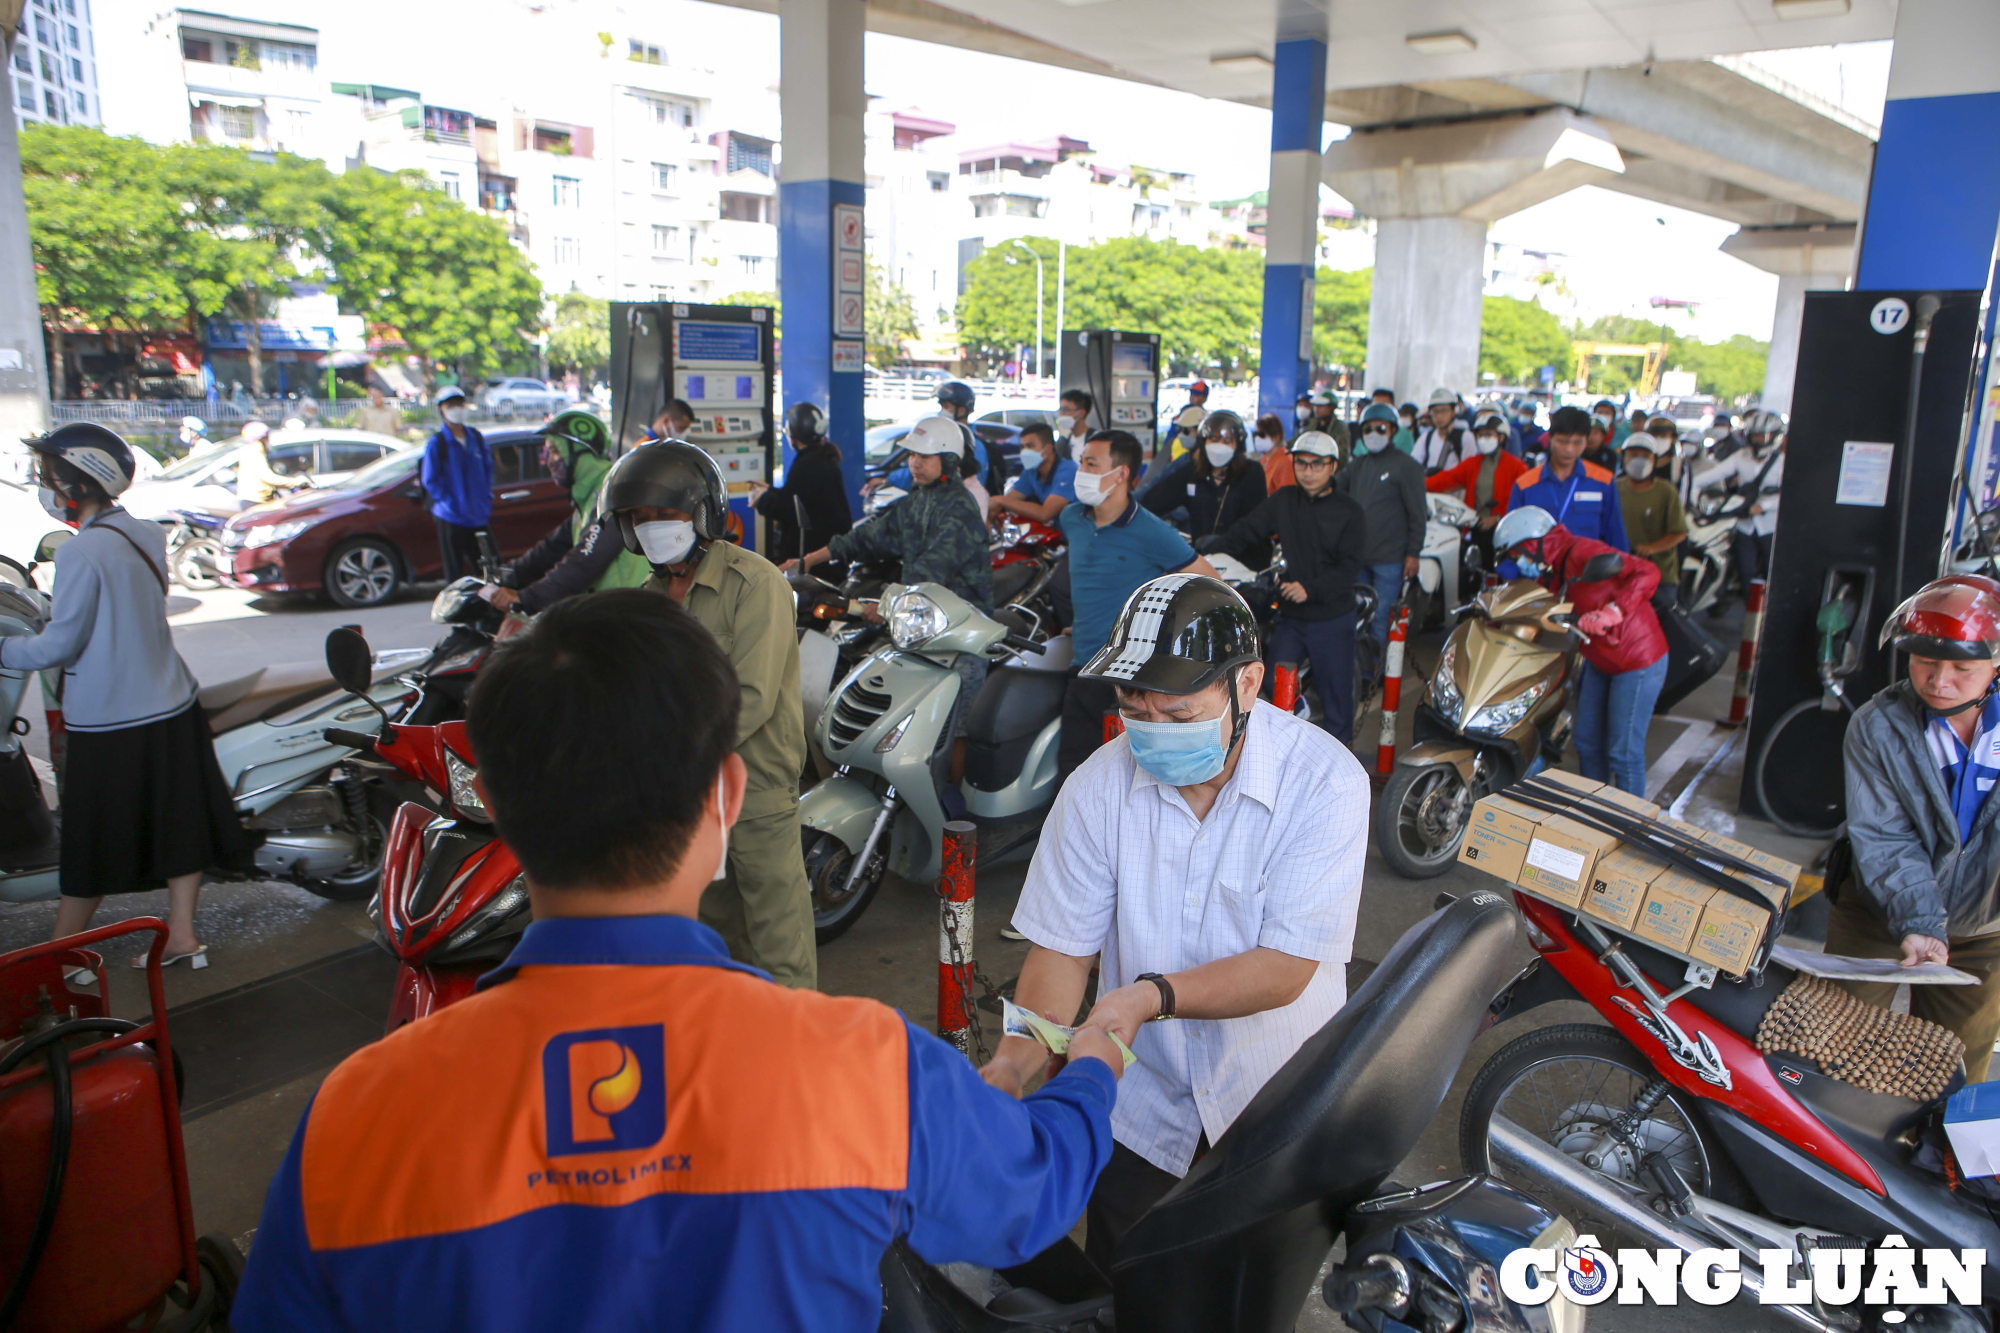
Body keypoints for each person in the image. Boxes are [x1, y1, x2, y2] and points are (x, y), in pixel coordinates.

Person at [230, 590, 1123, 1333]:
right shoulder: (865, 1068)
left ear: (493, 799)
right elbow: (1030, 1196)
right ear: (727, 795)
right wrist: (1092, 1063)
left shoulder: (360, 1114)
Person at [979, 574, 1366, 1269]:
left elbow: (1286, 967)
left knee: (1247, 1301)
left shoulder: (1325, 783)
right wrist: (1015, 1061)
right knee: (1123, 1289)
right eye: (1135, 709)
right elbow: (1062, 956)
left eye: (1181, 715)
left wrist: (1147, 996)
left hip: (1273, 1109)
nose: (1153, 733)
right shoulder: (1097, 788)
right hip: (1142, 1109)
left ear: (1248, 685)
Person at [1, 425, 247, 968]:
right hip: (172, 703)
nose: (45, 485)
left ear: (79, 481)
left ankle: (60, 960)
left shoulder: (81, 553)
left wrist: (4, 651)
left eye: (51, 475)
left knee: (92, 841)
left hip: (110, 719)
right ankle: (182, 937)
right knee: (178, 821)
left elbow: (59, 645)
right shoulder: (145, 533)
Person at [603, 441, 816, 989]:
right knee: (717, 933)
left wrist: (661, 755)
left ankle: (795, 1056)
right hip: (687, 795)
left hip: (755, 788)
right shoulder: (649, 596)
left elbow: (749, 695)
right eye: (640, 518)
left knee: (778, 937)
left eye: (665, 514)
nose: (652, 527)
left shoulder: (756, 582)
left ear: (701, 513)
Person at [1832, 576, 2000, 1081]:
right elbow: (1885, 838)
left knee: (1955, 1071)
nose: (1939, 680)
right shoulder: (1877, 726)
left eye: (1962, 669)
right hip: (1880, 907)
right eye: (1925, 661)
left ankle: (1933, 1158)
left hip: (1986, 926)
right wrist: (1920, 922)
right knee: (1833, 1045)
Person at [788, 417, 994, 820]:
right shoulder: (917, 502)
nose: (914, 463)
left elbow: (932, 570)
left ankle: (953, 816)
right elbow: (869, 536)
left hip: (962, 631)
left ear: (949, 461)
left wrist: (883, 606)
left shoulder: (959, 509)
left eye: (925, 456)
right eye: (913, 455)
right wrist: (808, 560)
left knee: (953, 724)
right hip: (920, 626)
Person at [1054, 430, 1220, 784]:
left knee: (1126, 779)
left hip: (1127, 675)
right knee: (1073, 771)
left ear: (1121, 474)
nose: (1080, 469)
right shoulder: (1072, 518)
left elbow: (1210, 583)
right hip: (1082, 666)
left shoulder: (1151, 531)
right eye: (1082, 461)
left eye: (1091, 463)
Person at [1199, 431, 1368, 742]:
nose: (1308, 471)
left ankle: (1340, 770)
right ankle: (1288, 750)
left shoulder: (1350, 511)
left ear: (1333, 466)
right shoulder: (1284, 501)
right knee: (1273, 682)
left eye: (1317, 465)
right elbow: (1247, 531)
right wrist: (1204, 555)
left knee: (1337, 704)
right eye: (1301, 463)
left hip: (1332, 619)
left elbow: (1349, 568)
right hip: (1291, 618)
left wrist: (1310, 589)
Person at [1494, 505, 1666, 794]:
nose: (1519, 562)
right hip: (1601, 658)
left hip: (1637, 658)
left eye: (1518, 554)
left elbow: (1648, 571)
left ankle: (1631, 831)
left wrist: (1614, 610)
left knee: (1624, 753)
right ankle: (1597, 817)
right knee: (1586, 742)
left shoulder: (1581, 553)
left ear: (1533, 544)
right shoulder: (1552, 570)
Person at [484, 411, 653, 616]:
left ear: (580, 453)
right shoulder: (588, 500)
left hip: (630, 617)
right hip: (608, 612)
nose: (549, 461)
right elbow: (551, 547)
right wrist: (510, 573)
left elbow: (586, 558)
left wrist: (529, 597)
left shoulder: (613, 492)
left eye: (555, 451)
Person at [1340, 403, 1426, 647]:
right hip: (1358, 557)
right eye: (1367, 429)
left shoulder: (1407, 466)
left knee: (1380, 618)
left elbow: (1417, 514)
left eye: (1380, 428)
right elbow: (1333, 488)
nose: (1373, 434)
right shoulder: (1357, 465)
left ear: (1392, 431)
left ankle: (1376, 674)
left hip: (1390, 559)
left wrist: (1413, 553)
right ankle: (1360, 670)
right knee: (1356, 615)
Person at [1504, 405, 1628, 560]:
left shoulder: (1603, 482)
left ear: (1586, 441)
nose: (1569, 449)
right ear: (1549, 438)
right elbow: (1510, 538)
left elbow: (1615, 536)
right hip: (1537, 578)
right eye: (1562, 441)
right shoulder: (1525, 484)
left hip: (1586, 577)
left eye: (1577, 443)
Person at [1140, 410, 1267, 559]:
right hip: (1204, 562)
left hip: (1245, 562)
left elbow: (1255, 523)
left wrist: (1221, 543)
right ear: (1203, 442)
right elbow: (1153, 501)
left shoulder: (1252, 473)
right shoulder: (1192, 471)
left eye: (1226, 441)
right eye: (1213, 439)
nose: (1219, 447)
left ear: (1237, 446)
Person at [1694, 409, 1783, 602]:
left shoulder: (1782, 462)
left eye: (1764, 436)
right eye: (1756, 435)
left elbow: (1790, 494)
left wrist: (1764, 506)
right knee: (1745, 571)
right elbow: (1714, 474)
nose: (1760, 440)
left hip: (1771, 527)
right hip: (1744, 524)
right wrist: (1688, 487)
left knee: (1775, 575)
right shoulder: (1741, 456)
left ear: (1775, 437)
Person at [1426, 408, 1527, 571]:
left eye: (1488, 435)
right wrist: (1418, 485)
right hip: (1476, 526)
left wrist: (1497, 518)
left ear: (1501, 437)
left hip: (1505, 530)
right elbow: (1446, 479)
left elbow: (1523, 501)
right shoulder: (1472, 463)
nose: (1483, 439)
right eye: (1480, 435)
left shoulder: (1517, 467)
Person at [751, 402, 854, 564]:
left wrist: (762, 499)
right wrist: (770, 490)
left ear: (793, 434)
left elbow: (789, 508)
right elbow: (799, 496)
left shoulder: (807, 464)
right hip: (827, 553)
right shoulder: (822, 458)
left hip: (812, 558)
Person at [422, 385, 494, 583]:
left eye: (459, 404)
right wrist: (448, 502)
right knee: (455, 574)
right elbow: (430, 479)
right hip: (450, 516)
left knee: (490, 569)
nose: (456, 409)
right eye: (450, 405)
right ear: (442, 409)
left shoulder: (476, 438)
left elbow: (488, 470)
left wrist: (485, 498)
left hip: (478, 515)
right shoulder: (438, 442)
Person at [878, 382, 993, 496]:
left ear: (962, 410)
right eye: (912, 454)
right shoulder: (942, 436)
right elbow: (923, 470)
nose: (942, 411)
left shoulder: (971, 445)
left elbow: (973, 485)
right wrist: (890, 480)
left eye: (946, 407)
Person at [1615, 431, 1688, 601]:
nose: (1638, 460)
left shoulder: (1667, 492)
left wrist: (1652, 548)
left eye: (1645, 456)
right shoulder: (1614, 488)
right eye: (1633, 455)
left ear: (1655, 460)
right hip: (1620, 572)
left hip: (1660, 575)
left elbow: (1679, 532)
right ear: (1624, 458)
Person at [989, 420, 1077, 526]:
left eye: (1030, 446)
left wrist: (1000, 500)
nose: (1024, 452)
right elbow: (1011, 500)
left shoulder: (1069, 471)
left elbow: (1044, 514)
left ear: (1048, 449)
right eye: (1022, 447)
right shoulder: (1031, 472)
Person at [234, 421, 302, 507]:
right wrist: (295, 481)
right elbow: (269, 478)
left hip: (257, 501)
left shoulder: (252, 451)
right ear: (262, 439)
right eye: (267, 437)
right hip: (255, 502)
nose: (269, 441)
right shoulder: (255, 454)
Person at [1412, 388, 1466, 473]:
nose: (1439, 416)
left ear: (1453, 411)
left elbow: (1468, 472)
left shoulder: (1465, 437)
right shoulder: (1426, 438)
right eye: (1435, 411)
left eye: (1444, 410)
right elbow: (1413, 466)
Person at [1162, 379, 1209, 460]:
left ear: (1205, 398)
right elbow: (1168, 445)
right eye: (1192, 394)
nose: (1193, 398)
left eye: (1197, 395)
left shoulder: (1206, 421)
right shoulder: (1179, 417)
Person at [1253, 412, 1295, 493]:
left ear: (1276, 437)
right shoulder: (1266, 458)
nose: (1257, 438)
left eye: (1262, 435)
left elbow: (1285, 498)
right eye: (1256, 434)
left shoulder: (1286, 462)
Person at [1056, 388, 1094, 459]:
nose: (1061, 414)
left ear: (1081, 413)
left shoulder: (1095, 440)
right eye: (1061, 409)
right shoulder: (1064, 443)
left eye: (1066, 410)